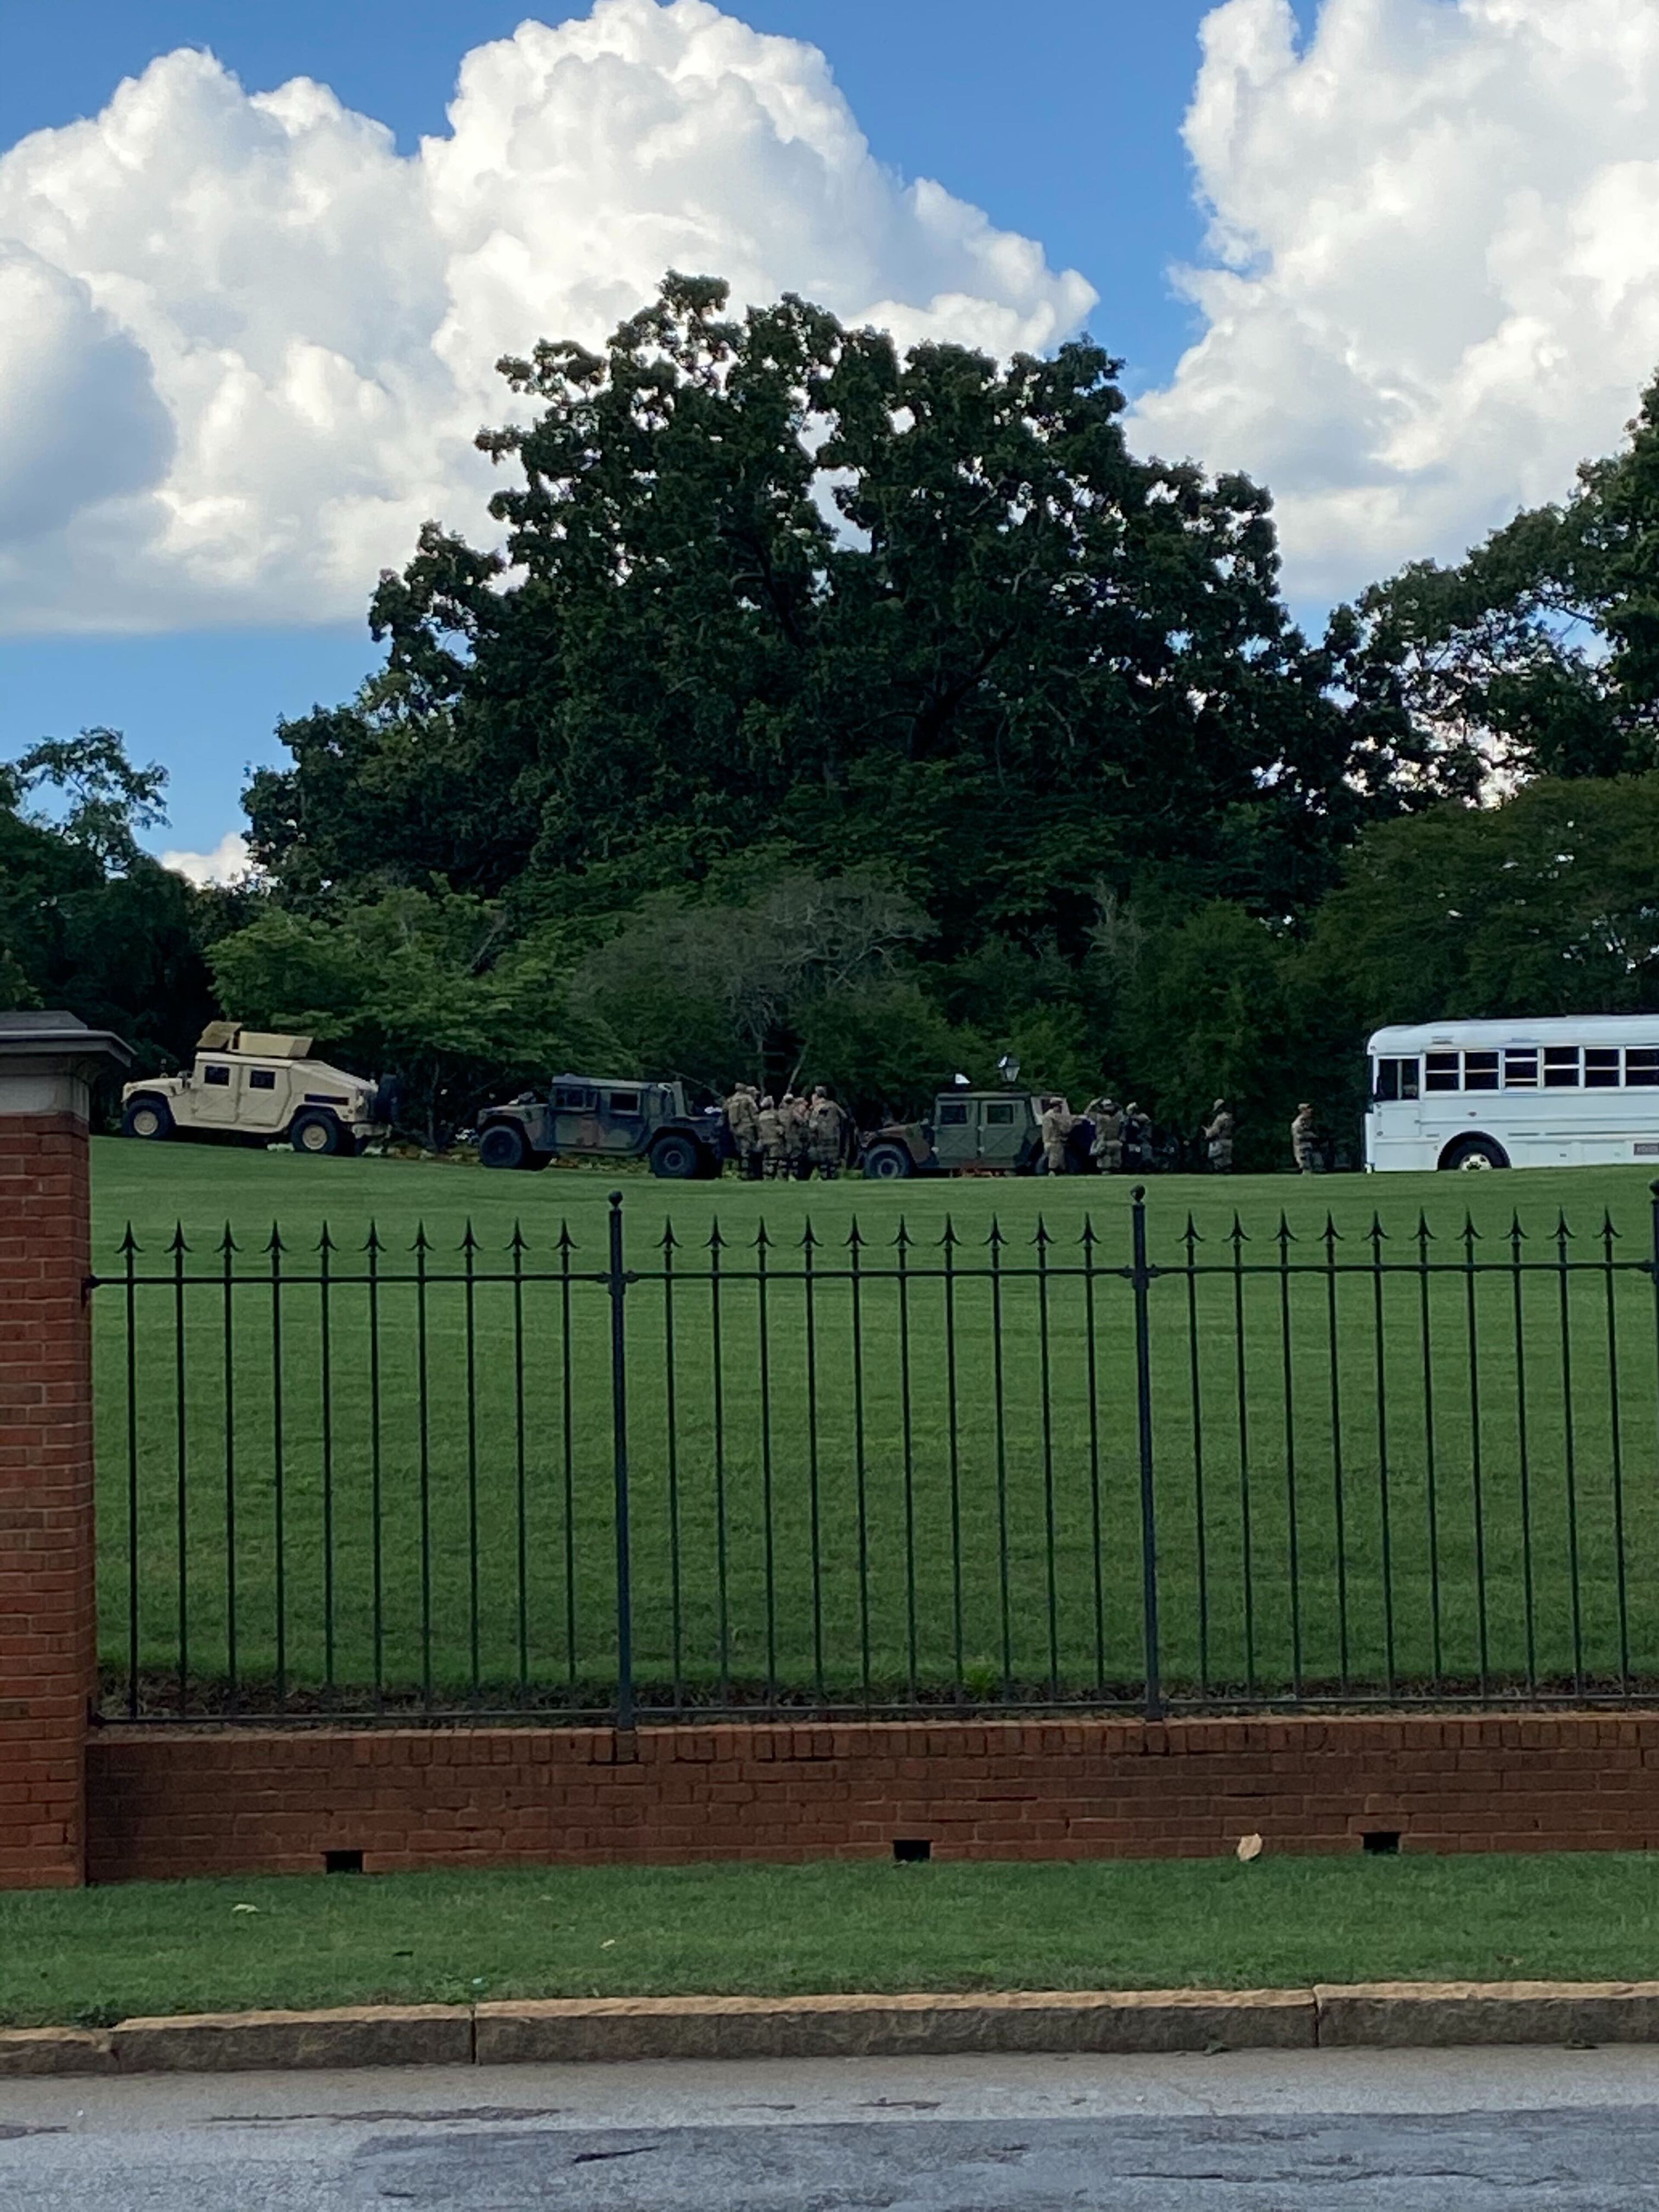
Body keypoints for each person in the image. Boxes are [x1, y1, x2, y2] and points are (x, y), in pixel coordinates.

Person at [807, 1085, 847, 1179]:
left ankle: (825, 1178)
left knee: (823, 1161)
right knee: (833, 1161)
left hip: (821, 1137)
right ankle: (833, 1177)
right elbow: (845, 1116)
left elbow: (812, 1125)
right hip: (834, 1136)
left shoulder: (816, 1108)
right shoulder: (833, 1105)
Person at [724, 1082, 760, 1179]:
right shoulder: (748, 1099)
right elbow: (754, 1114)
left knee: (740, 1150)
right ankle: (747, 1174)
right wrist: (759, 1128)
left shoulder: (731, 1099)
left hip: (734, 1128)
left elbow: (724, 1110)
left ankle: (740, 1172)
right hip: (747, 1127)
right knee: (748, 1150)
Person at [1039, 1095, 1074, 1176]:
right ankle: (1053, 1172)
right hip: (1055, 1141)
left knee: (1052, 1158)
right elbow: (1064, 1129)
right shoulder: (1055, 1116)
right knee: (1055, 1159)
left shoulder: (1046, 1115)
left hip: (1047, 1141)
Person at [1090, 1097, 1124, 1175]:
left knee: (1112, 1163)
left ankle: (1110, 1170)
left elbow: (1088, 1112)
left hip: (1110, 1142)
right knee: (1108, 1163)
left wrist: (1093, 1104)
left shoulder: (1100, 1117)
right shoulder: (1118, 1116)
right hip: (1107, 1142)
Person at [756, 1094, 785, 1178]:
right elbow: (783, 1124)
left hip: (764, 1140)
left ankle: (766, 1176)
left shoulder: (760, 1116)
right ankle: (775, 1176)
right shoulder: (776, 1114)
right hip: (775, 1139)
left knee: (766, 1159)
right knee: (775, 1159)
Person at [1203, 1098, 1235, 1174]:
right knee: (1228, 1161)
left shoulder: (1220, 1118)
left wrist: (1207, 1132)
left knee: (1218, 1161)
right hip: (1229, 1141)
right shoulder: (1230, 1116)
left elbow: (1214, 1131)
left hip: (1220, 1141)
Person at [1291, 1101, 1321, 1174]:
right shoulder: (1299, 1122)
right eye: (1307, 1110)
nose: (1310, 1112)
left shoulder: (1308, 1121)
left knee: (1317, 1166)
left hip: (1310, 1146)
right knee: (1306, 1166)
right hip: (1302, 1146)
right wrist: (1311, 1135)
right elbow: (1300, 1135)